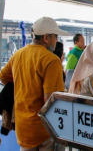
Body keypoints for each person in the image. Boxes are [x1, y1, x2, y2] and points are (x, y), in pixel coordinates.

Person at [0, 17, 67, 150]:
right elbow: (51, 101)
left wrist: (24, 87)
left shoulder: (18, 54)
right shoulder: (51, 60)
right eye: (55, 36)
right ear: (46, 38)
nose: (56, 41)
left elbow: (3, 77)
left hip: (22, 128)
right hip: (44, 131)